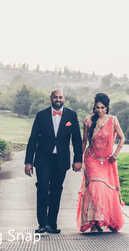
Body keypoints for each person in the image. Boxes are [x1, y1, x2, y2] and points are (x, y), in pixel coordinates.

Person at [25, 88, 83, 234]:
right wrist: (28, 162)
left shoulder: (71, 115)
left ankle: (52, 224)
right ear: (51, 98)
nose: (58, 100)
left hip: (61, 160)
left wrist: (78, 160)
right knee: (43, 189)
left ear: (64, 98)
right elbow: (33, 139)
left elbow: (76, 139)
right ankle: (42, 224)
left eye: (61, 97)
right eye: (55, 97)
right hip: (43, 159)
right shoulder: (41, 115)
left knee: (56, 191)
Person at [76, 92, 126, 233]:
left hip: (107, 161)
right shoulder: (88, 120)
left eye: (102, 108)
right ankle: (94, 222)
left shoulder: (112, 120)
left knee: (106, 190)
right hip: (91, 158)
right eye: (97, 107)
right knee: (94, 187)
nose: (99, 110)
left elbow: (122, 138)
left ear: (107, 108)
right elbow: (84, 141)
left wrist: (115, 155)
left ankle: (104, 220)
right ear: (94, 106)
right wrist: (80, 160)